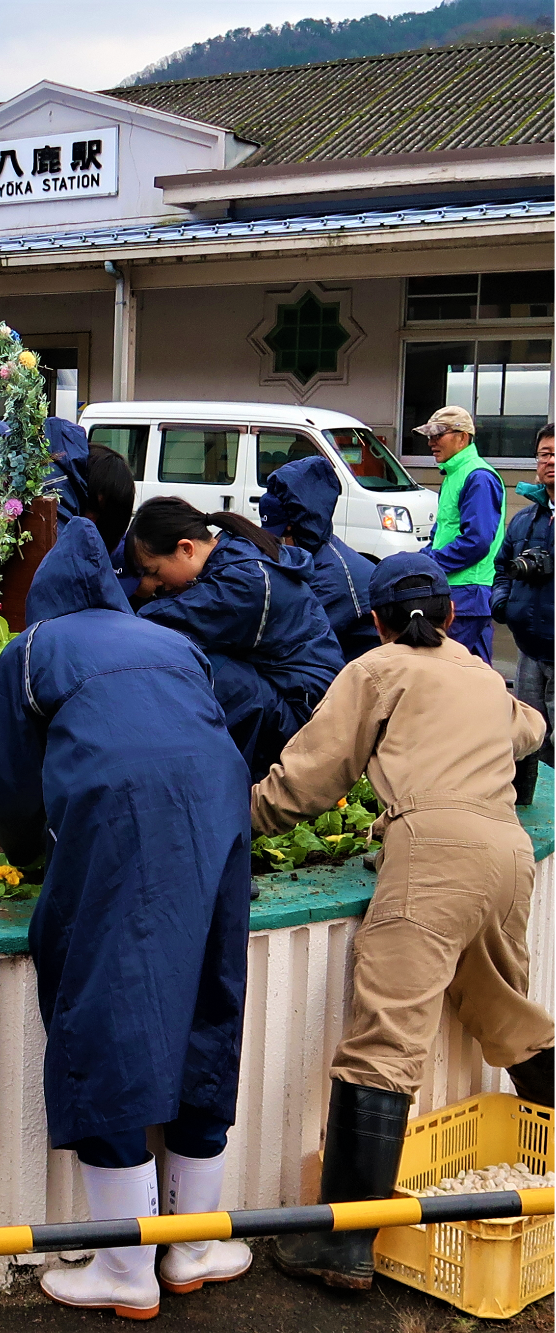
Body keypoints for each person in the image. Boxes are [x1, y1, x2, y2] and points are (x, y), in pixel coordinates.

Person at [0, 518, 254, 1320]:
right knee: (208, 999)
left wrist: (31, 855)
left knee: (106, 1010)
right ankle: (194, 1246)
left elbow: (10, 782)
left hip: (119, 821)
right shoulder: (168, 640)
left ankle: (126, 1268)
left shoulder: (32, 650)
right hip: (220, 818)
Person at [251, 553, 552, 1292]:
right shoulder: (482, 673)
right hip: (508, 854)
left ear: (377, 621)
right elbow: (532, 728)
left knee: (385, 1035)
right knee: (500, 1008)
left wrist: (238, 819)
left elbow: (312, 779)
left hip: (433, 853)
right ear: (451, 616)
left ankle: (340, 1243)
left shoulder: (377, 668)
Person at [127, 496, 344, 776]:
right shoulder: (234, 552)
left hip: (304, 716)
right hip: (301, 696)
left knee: (196, 662)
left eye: (154, 572)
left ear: (185, 549)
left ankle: (221, 779)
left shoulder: (242, 583)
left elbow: (155, 627)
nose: (155, 585)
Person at [258, 455, 377, 661]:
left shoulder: (336, 576)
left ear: (301, 525)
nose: (276, 544)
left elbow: (295, 639)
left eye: (280, 536)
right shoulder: (316, 553)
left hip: (354, 671)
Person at [416, 405, 507, 663]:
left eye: (438, 434)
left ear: (462, 437)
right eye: (429, 436)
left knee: (450, 668)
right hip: (461, 591)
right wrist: (420, 560)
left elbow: (477, 542)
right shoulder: (454, 474)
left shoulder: (478, 476)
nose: (431, 442)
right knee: (474, 669)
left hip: (467, 591)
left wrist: (430, 564)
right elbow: (443, 531)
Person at [493, 423, 554, 798]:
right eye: (545, 454)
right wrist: (502, 605)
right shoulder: (525, 519)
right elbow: (502, 567)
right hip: (529, 651)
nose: (550, 461)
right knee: (531, 739)